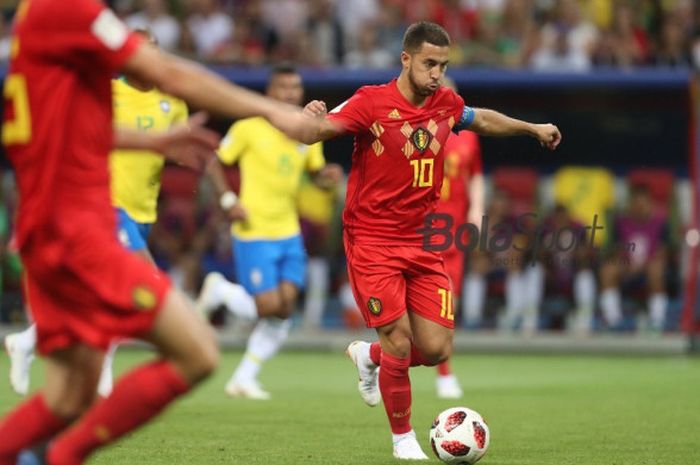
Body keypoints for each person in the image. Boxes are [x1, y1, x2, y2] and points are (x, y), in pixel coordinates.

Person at [0, 1, 320, 463]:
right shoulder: (64, 9)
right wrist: (275, 112)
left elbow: (70, 129)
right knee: (196, 352)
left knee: (68, 397)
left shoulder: (34, 21)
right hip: (81, 227)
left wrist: (151, 141)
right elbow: (168, 71)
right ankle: (62, 456)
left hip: (51, 226)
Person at [301, 21, 561, 460]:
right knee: (399, 340)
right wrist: (307, 121)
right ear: (405, 59)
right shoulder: (371, 102)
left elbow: (481, 119)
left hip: (424, 241)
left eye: (442, 65)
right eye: (429, 64)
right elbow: (321, 131)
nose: (437, 73)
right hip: (373, 241)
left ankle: (369, 357)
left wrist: (530, 127)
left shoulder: (444, 103)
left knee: (436, 347)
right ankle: (403, 439)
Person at [3, 29, 189, 398]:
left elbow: (180, 150)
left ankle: (29, 341)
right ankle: (96, 374)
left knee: (107, 295)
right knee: (145, 283)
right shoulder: (104, 91)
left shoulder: (173, 102)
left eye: (155, 52)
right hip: (106, 206)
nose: (149, 60)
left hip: (142, 211)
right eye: (141, 52)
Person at [196, 64, 342, 399]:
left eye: (295, 87)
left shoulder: (308, 131)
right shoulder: (250, 126)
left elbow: (315, 173)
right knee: (266, 307)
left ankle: (244, 378)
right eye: (284, 88)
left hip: (288, 230)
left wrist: (326, 178)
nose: (291, 94)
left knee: (286, 308)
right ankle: (219, 290)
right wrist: (227, 198)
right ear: (270, 93)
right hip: (253, 229)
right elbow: (213, 160)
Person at [432, 76, 484, 399]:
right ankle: (384, 361)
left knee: (446, 307)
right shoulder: (418, 133)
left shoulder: (467, 139)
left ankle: (444, 374)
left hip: (452, 233)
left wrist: (477, 207)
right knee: (415, 311)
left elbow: (476, 175)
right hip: (418, 230)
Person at [598, 184, 670, 332]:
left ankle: (657, 320)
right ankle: (613, 320)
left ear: (649, 203)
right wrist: (627, 263)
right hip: (627, 265)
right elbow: (616, 249)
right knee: (608, 270)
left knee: (656, 268)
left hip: (649, 266)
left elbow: (663, 251)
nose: (639, 207)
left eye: (643, 203)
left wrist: (643, 265)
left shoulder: (660, 222)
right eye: (636, 203)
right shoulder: (621, 222)